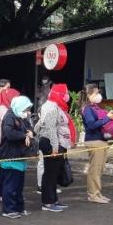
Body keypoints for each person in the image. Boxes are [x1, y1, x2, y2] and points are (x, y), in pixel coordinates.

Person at [36, 83, 74, 212]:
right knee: (50, 174)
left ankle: (54, 200)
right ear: (59, 94)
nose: (67, 96)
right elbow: (51, 128)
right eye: (65, 93)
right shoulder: (51, 107)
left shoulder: (57, 106)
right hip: (51, 143)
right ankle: (48, 202)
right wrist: (55, 147)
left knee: (54, 173)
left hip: (57, 143)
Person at [0, 95, 34, 218]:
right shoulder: (9, 117)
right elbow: (9, 133)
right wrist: (24, 135)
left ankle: (19, 208)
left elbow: (29, 129)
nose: (28, 112)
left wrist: (30, 133)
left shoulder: (21, 117)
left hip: (20, 155)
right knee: (11, 185)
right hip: (10, 156)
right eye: (26, 110)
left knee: (18, 186)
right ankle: (8, 210)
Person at [80, 84, 113, 204]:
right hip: (94, 141)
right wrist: (107, 118)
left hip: (101, 140)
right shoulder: (87, 109)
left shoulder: (94, 107)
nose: (98, 95)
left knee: (99, 169)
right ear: (89, 95)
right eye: (95, 93)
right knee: (94, 169)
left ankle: (97, 193)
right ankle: (93, 195)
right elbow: (91, 125)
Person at [0, 86, 20, 200]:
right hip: (5, 143)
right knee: (6, 170)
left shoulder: (0, 106)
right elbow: (10, 124)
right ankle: (3, 194)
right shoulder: (3, 108)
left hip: (2, 141)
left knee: (4, 169)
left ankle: (2, 193)